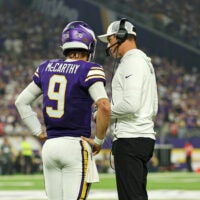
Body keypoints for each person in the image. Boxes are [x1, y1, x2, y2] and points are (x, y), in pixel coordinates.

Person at [15, 21, 111, 200]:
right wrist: (98, 140)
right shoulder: (89, 69)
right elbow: (104, 106)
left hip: (50, 146)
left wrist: (38, 131)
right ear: (88, 46)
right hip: (75, 145)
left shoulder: (46, 67)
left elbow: (21, 102)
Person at [98, 18, 158, 200]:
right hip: (140, 136)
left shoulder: (133, 62)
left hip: (131, 139)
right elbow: (153, 107)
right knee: (136, 194)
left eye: (109, 40)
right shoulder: (141, 61)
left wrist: (104, 112)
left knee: (130, 197)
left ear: (120, 36)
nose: (108, 45)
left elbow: (131, 104)